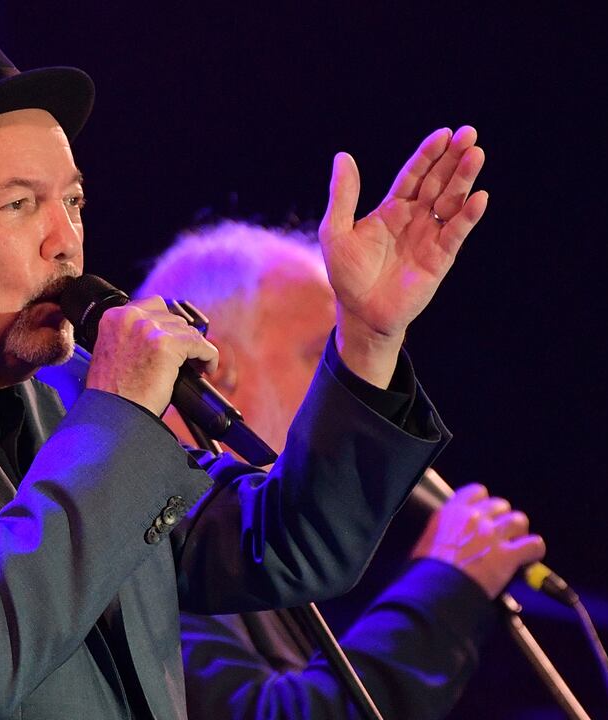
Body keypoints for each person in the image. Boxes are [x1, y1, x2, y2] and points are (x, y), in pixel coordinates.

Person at [0, 23, 490, 720]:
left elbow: (280, 546)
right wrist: (117, 417)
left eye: (73, 202)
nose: (66, 242)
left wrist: (369, 337)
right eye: (19, 206)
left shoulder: (56, 389)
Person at [136, 222, 546, 719]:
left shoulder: (255, 552)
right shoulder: (143, 533)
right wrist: (445, 588)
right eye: (322, 356)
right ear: (214, 366)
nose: (347, 390)